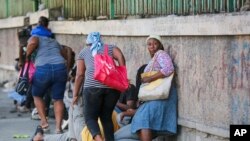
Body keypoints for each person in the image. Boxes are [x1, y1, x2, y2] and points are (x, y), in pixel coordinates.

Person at [114, 35, 178, 141]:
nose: (152, 46)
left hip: (160, 96)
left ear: (160, 45)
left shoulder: (161, 54)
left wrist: (150, 78)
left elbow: (169, 68)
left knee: (143, 119)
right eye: (149, 44)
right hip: (155, 98)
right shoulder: (154, 59)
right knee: (142, 120)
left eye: (155, 43)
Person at [73, 32, 126, 141]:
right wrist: (122, 75)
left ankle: (98, 139)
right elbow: (120, 57)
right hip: (112, 87)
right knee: (106, 118)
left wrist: (75, 94)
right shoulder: (111, 48)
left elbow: (80, 75)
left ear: (88, 42)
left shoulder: (84, 51)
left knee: (90, 118)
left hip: (92, 87)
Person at [26, 16, 69, 133]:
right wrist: (68, 68)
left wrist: (27, 55)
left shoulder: (35, 38)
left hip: (43, 69)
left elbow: (33, 42)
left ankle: (44, 122)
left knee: (36, 94)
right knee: (58, 99)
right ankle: (58, 128)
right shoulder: (54, 41)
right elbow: (66, 53)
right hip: (60, 68)